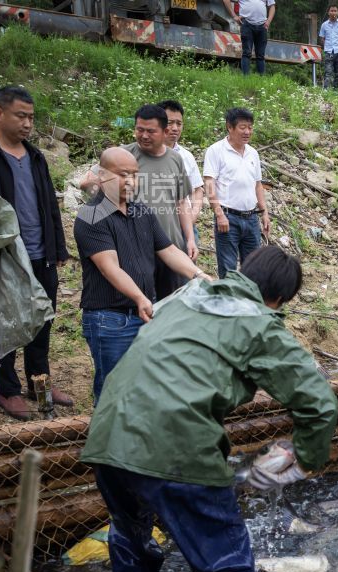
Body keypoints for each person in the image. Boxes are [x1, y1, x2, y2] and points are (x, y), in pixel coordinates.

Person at [82, 245, 338, 572]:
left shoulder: (183, 297)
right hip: (174, 446)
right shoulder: (260, 322)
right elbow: (319, 403)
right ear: (280, 299)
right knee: (232, 565)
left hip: (106, 438)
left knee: (132, 538)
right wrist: (304, 459)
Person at [0, 86, 72, 420]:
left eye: (31, 117)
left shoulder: (35, 156)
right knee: (5, 322)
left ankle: (39, 383)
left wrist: (59, 246)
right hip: (5, 256)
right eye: (21, 116)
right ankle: (7, 390)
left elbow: (49, 202)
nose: (27, 124)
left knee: (42, 321)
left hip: (40, 252)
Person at [74, 147, 207, 403]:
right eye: (123, 175)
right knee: (113, 389)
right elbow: (109, 267)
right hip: (110, 319)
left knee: (143, 386)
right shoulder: (91, 217)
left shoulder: (141, 210)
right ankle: (108, 440)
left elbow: (168, 250)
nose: (131, 182)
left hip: (144, 313)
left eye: (135, 175)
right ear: (102, 175)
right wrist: (139, 297)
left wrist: (200, 275)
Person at [119, 105, 195, 300]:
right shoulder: (124, 155)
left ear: (164, 131)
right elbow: (89, 181)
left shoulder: (175, 159)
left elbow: (181, 203)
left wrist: (190, 238)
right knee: (140, 307)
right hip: (135, 250)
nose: (144, 135)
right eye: (139, 129)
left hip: (171, 248)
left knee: (169, 308)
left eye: (151, 131)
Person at [203, 108, 270, 278]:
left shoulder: (253, 153)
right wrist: (219, 215)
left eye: (250, 127)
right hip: (228, 218)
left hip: (251, 218)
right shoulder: (216, 150)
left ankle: (248, 303)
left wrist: (264, 213)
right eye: (242, 127)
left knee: (253, 267)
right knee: (228, 268)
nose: (247, 132)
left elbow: (257, 185)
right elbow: (209, 183)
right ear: (229, 127)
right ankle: (228, 303)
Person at [158, 100, 205, 236]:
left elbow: (197, 190)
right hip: (155, 227)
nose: (175, 128)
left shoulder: (187, 156)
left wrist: (193, 216)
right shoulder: (145, 153)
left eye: (179, 123)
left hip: (184, 228)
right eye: (170, 122)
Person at [222, 0, 275, 76]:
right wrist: (234, 16)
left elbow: (272, 6)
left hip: (263, 25)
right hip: (246, 24)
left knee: (261, 55)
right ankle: (246, 79)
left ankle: (261, 80)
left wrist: (268, 21)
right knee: (247, 53)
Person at [318, 5, 338, 90]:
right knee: (328, 71)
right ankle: (325, 90)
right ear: (328, 12)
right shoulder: (324, 25)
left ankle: (336, 90)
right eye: (332, 10)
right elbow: (322, 38)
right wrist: (327, 47)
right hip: (329, 51)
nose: (333, 12)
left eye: (335, 11)